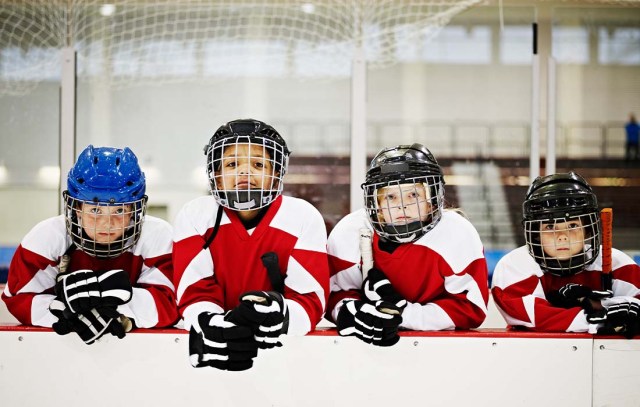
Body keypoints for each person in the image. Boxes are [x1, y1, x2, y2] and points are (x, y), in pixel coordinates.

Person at [173, 118, 329, 371]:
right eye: (232, 164)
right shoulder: (195, 215)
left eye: (258, 164)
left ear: (276, 173)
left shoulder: (302, 216)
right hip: (217, 350)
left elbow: (310, 300)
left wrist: (280, 316)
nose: (245, 172)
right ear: (217, 175)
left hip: (286, 357)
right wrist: (212, 324)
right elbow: (194, 292)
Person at [1, 145, 178, 344]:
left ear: (134, 210)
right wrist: (70, 315)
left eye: (119, 211)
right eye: (95, 210)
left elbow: (170, 301)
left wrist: (119, 315)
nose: (107, 223)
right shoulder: (47, 236)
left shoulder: (158, 235)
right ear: (76, 208)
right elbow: (19, 298)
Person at [326, 143, 489, 346]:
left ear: (431, 199)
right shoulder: (349, 232)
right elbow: (335, 296)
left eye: (413, 195)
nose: (403, 205)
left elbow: (470, 309)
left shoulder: (457, 233)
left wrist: (404, 314)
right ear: (376, 205)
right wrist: (355, 313)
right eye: (391, 197)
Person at [491, 172, 640, 338]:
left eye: (573, 225)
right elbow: (532, 316)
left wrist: (599, 307)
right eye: (549, 227)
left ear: (587, 230)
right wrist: (599, 316)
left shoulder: (619, 266)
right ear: (535, 234)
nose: (562, 235)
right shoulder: (515, 265)